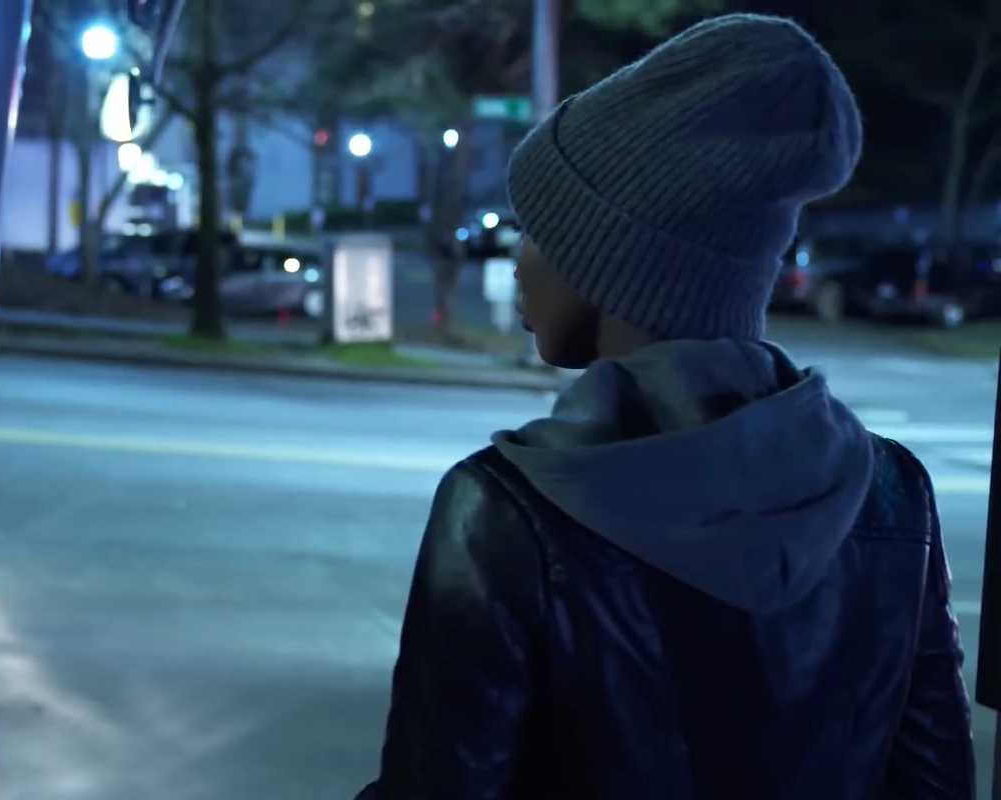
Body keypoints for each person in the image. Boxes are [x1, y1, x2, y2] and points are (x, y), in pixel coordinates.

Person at [358, 14, 975, 800]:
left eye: (538, 229)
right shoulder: (894, 494)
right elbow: (936, 783)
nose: (517, 260)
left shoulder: (503, 511)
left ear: (613, 260)